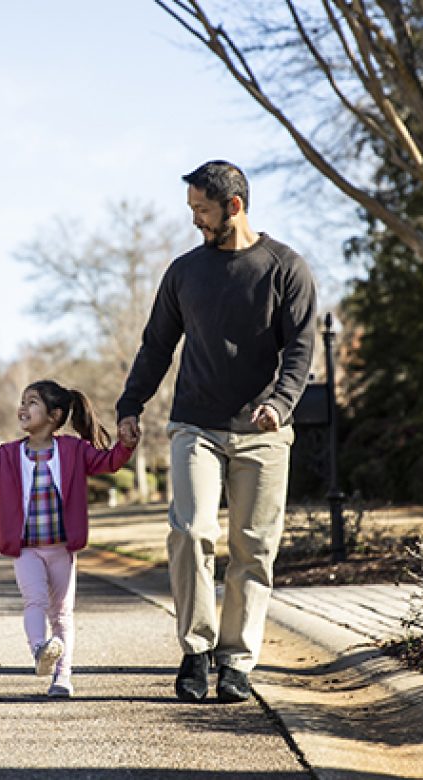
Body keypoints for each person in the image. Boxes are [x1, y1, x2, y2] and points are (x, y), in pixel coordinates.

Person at [116, 160, 316, 704]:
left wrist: (280, 403)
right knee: (191, 530)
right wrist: (131, 404)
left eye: (202, 210)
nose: (195, 221)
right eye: (192, 211)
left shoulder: (285, 268)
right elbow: (157, 344)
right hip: (196, 424)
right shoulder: (185, 272)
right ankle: (196, 649)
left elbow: (300, 350)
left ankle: (237, 659)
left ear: (233, 206)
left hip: (264, 428)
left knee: (253, 547)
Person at [0, 380, 138, 697]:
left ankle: (62, 677)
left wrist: (125, 446)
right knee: (34, 602)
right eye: (22, 401)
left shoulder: (73, 450)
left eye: (32, 402)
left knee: (61, 614)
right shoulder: (6, 455)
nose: (22, 407)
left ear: (54, 415)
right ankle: (40, 651)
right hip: (26, 549)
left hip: (62, 549)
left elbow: (109, 462)